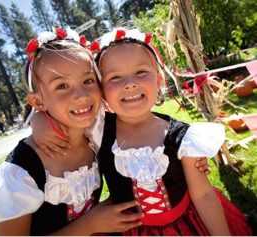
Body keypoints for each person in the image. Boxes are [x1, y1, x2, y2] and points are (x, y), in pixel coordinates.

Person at [0, 28, 143, 236]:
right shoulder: (22, 170)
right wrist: (90, 225)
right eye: (62, 86)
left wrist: (189, 153)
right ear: (37, 101)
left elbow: (145, 127)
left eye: (88, 81)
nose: (81, 96)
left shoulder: (96, 133)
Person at [93, 27, 252, 235]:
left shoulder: (182, 137)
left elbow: (203, 195)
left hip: (187, 226)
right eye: (115, 77)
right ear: (101, 90)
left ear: (159, 80)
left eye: (141, 72)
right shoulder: (96, 134)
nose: (130, 84)